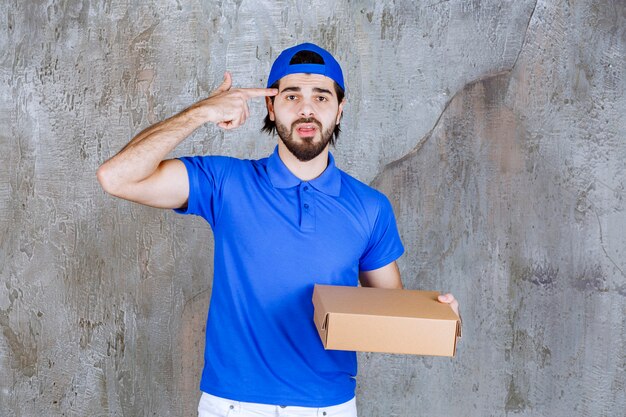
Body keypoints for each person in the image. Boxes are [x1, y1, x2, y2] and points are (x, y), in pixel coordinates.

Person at [97, 43, 460, 417]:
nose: (306, 109)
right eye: (291, 96)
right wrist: (201, 112)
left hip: (327, 407)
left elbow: (389, 312)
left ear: (340, 109)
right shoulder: (226, 182)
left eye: (321, 97)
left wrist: (433, 313)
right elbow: (116, 177)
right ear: (271, 107)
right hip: (232, 406)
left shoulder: (370, 207)